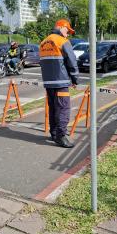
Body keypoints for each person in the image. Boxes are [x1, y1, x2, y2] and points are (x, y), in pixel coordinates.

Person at [39, 19, 79, 148]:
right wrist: (74, 79)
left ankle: (54, 133)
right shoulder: (62, 41)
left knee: (53, 109)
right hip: (61, 82)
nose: (68, 34)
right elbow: (72, 62)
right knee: (63, 109)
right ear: (61, 27)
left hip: (48, 83)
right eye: (67, 31)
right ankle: (61, 137)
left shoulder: (44, 42)